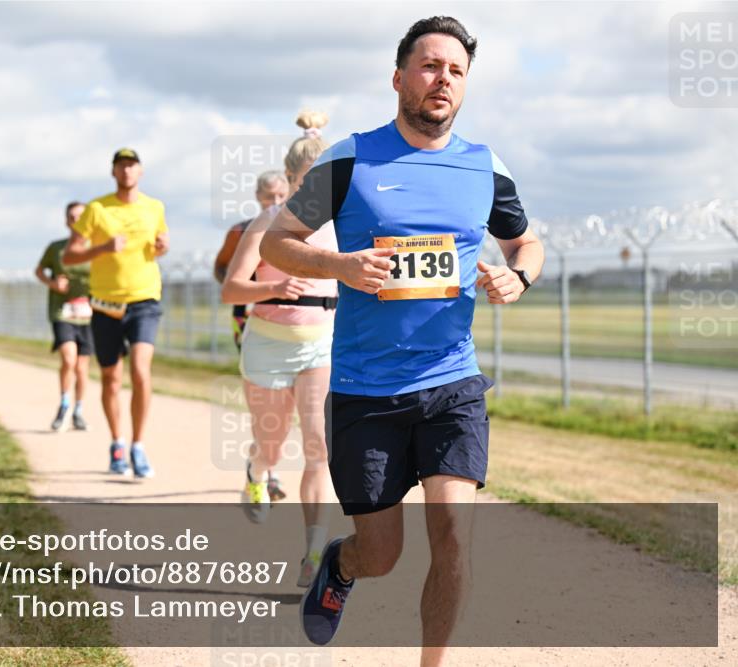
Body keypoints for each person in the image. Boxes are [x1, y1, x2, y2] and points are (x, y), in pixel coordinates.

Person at [259, 17, 545, 658]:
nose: (442, 78)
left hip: (452, 381)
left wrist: (519, 277)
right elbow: (278, 242)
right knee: (381, 554)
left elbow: (526, 241)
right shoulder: (351, 159)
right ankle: (341, 565)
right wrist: (341, 266)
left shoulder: (484, 166)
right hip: (367, 392)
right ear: (398, 77)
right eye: (430, 65)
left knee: (453, 534)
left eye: (456, 70)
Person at [223, 112, 339, 587]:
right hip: (269, 346)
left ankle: (313, 554)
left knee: (318, 449)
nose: (313, 193)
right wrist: (271, 290)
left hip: (320, 346)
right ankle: (256, 470)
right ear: (289, 180)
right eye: (304, 183)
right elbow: (232, 289)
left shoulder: (341, 223)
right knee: (271, 444)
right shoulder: (267, 222)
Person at [63, 148, 169, 478]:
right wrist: (102, 249)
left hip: (144, 300)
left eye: (132, 165)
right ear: (113, 172)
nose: (126, 171)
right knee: (110, 379)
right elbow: (69, 256)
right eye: (121, 166)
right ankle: (117, 442)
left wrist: (162, 248)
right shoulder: (96, 209)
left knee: (140, 371)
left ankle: (138, 445)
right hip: (105, 304)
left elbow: (159, 244)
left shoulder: (155, 207)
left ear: (140, 171)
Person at [214, 169, 290, 503]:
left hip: (292, 320)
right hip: (249, 316)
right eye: (269, 197)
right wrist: (249, 279)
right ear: (258, 198)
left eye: (280, 197)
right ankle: (268, 470)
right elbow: (222, 269)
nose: (275, 202)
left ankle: (265, 462)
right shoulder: (242, 230)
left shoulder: (299, 229)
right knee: (264, 396)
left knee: (287, 400)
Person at [36, 201, 94, 432]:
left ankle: (78, 410)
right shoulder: (56, 248)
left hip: (89, 315)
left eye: (80, 216)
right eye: (72, 216)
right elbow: (39, 271)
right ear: (66, 220)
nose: (75, 220)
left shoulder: (96, 247)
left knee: (82, 367)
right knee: (68, 359)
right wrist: (52, 283)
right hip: (62, 311)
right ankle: (64, 403)